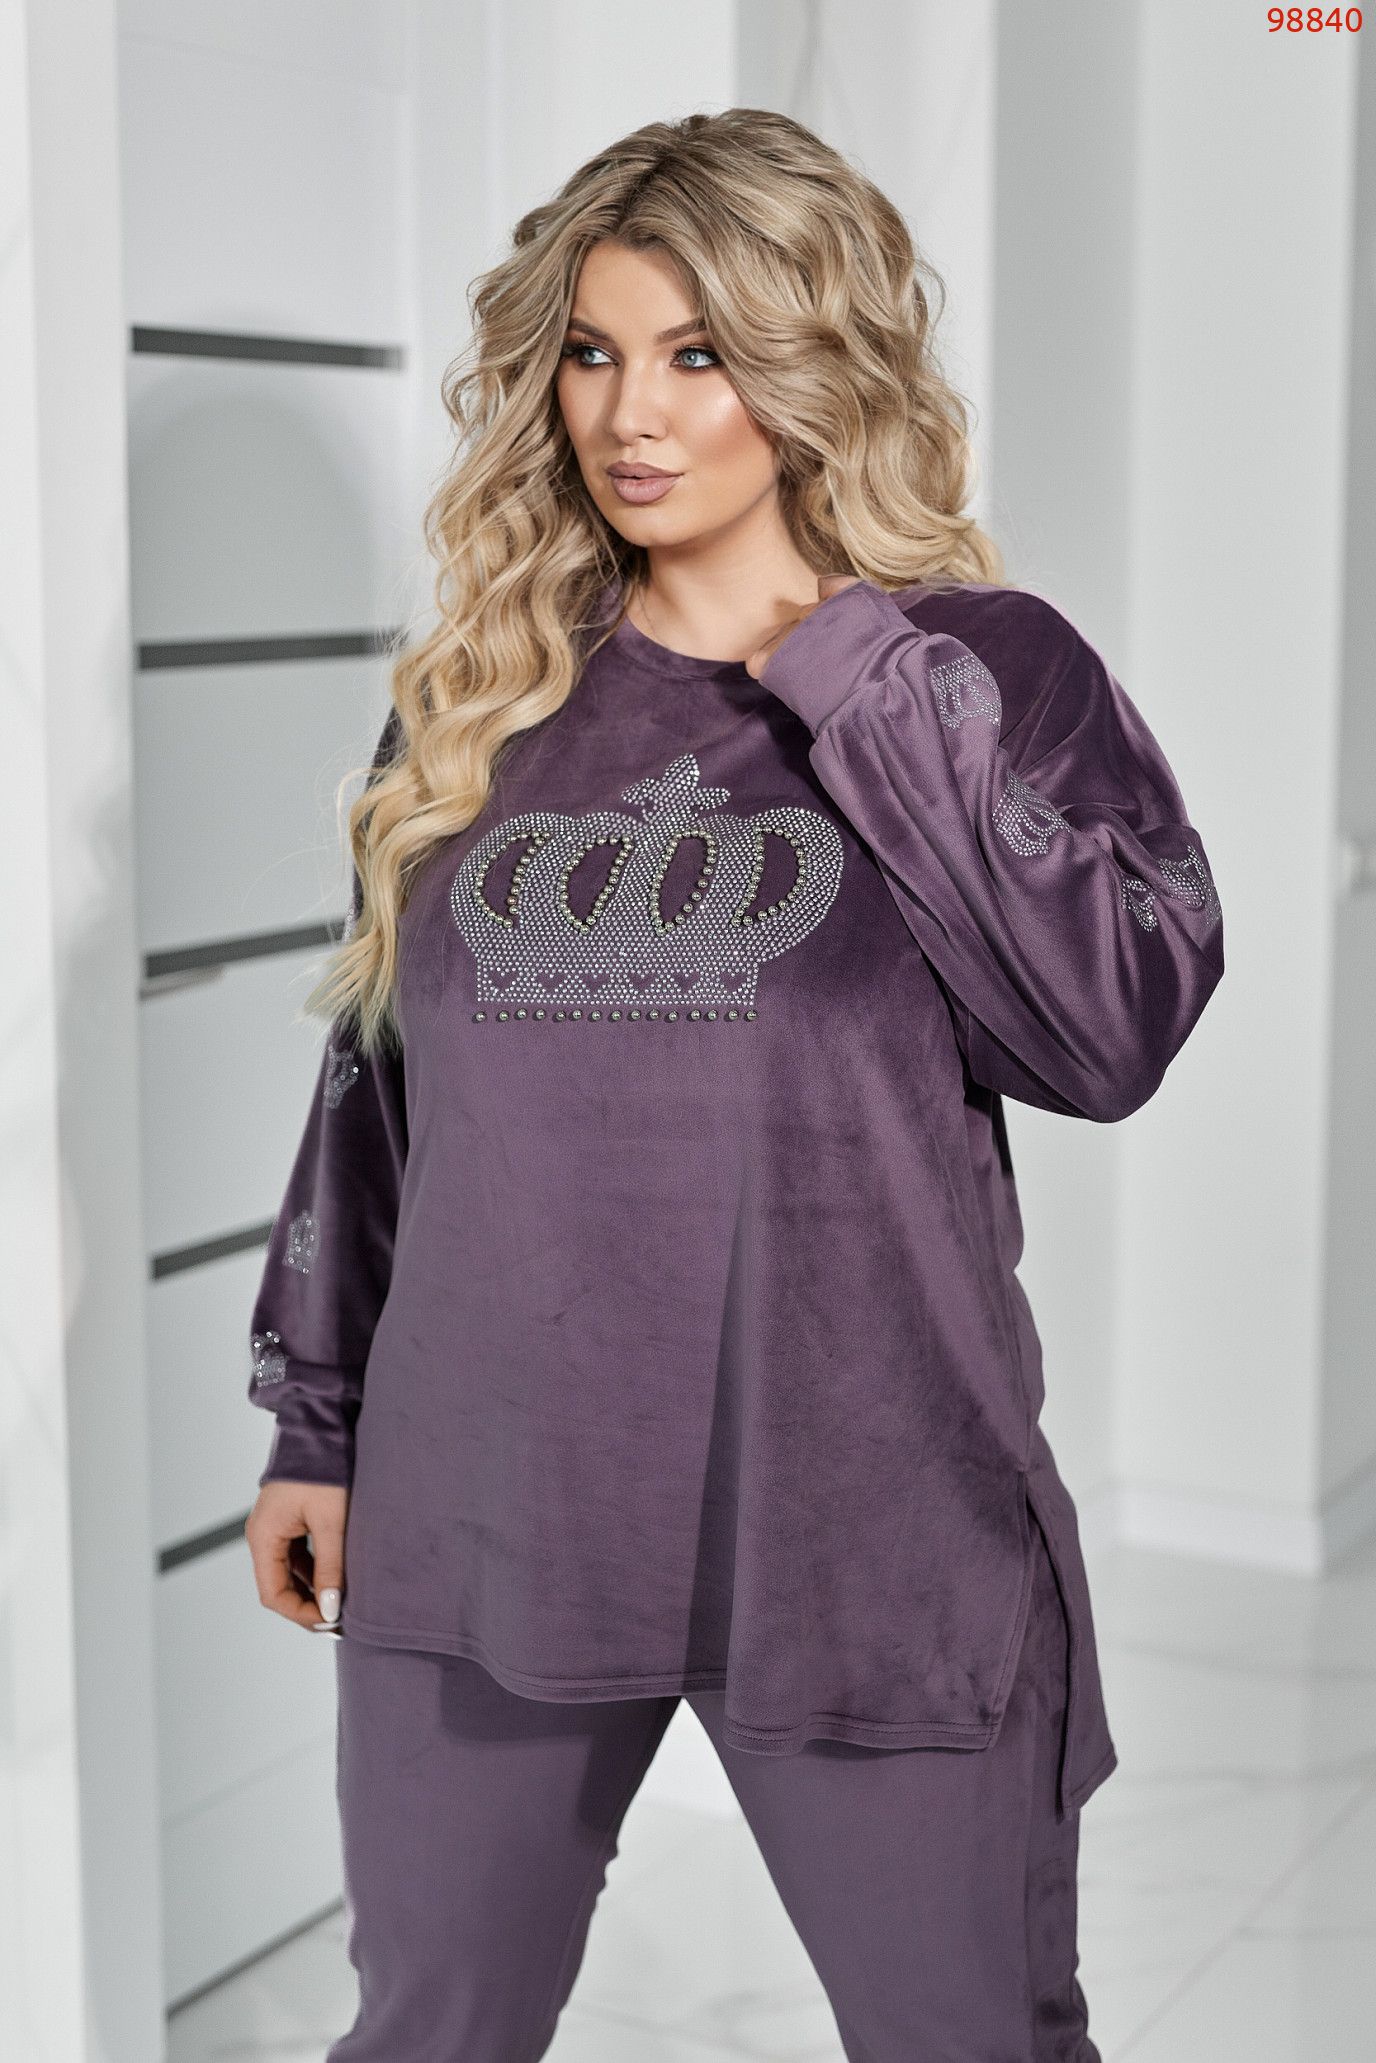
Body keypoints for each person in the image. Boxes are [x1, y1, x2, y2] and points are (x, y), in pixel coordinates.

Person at [242, 107, 1224, 2062]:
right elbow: (377, 1101)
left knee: (967, 2039)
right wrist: (319, 1424)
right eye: (592, 353)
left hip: (865, 1516)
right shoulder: (485, 698)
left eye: (699, 354)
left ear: (812, 363)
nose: (633, 414)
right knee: (428, 2031)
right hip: (492, 1496)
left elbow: (1108, 1029)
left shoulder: (982, 671)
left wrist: (848, 669)